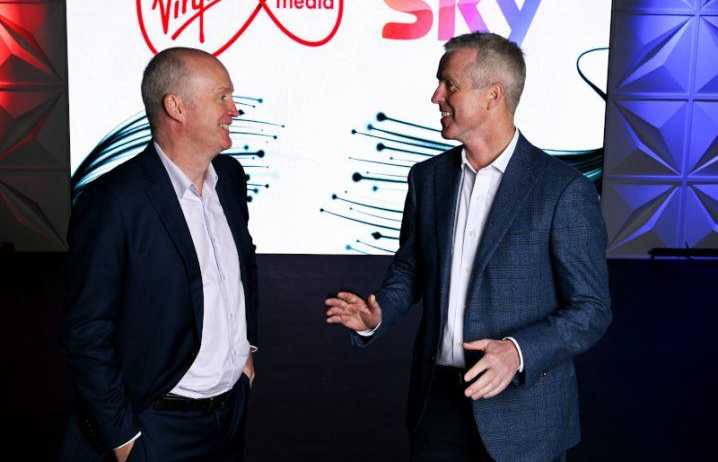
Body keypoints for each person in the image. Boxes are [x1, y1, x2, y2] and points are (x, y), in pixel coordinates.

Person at [326, 32, 611, 462]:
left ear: (493, 95)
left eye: (449, 85)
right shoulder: (428, 179)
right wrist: (379, 312)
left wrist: (518, 353)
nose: (436, 95)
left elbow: (591, 309)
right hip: (436, 406)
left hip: (526, 412)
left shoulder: (563, 189)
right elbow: (411, 269)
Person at [59, 47, 258, 462]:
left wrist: (246, 352)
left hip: (230, 415)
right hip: (156, 427)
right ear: (176, 107)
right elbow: (86, 330)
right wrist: (123, 437)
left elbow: (244, 269)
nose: (234, 109)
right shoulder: (112, 200)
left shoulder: (232, 179)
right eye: (222, 97)